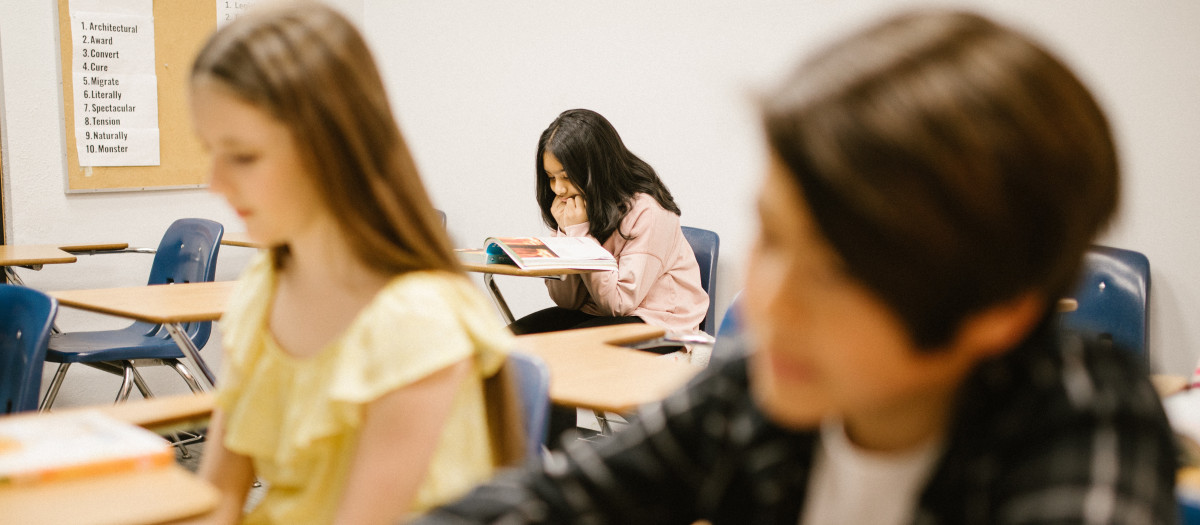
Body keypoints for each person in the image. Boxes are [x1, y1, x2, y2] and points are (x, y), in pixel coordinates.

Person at [413, 9, 1179, 524]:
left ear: (999, 310)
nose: (765, 302)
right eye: (772, 236)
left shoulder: (1083, 424)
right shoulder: (763, 388)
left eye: (837, 270)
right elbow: (553, 498)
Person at [186, 5, 517, 524]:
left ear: (332, 147)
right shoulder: (264, 289)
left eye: (243, 155)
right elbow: (221, 495)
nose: (215, 183)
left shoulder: (413, 320)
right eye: (210, 151)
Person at [507, 109, 709, 340]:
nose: (558, 190)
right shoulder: (577, 207)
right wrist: (566, 233)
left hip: (659, 320)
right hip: (598, 314)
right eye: (551, 178)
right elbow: (568, 301)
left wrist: (579, 237)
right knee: (509, 340)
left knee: (566, 348)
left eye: (566, 177)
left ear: (596, 170)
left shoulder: (649, 211)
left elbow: (619, 304)